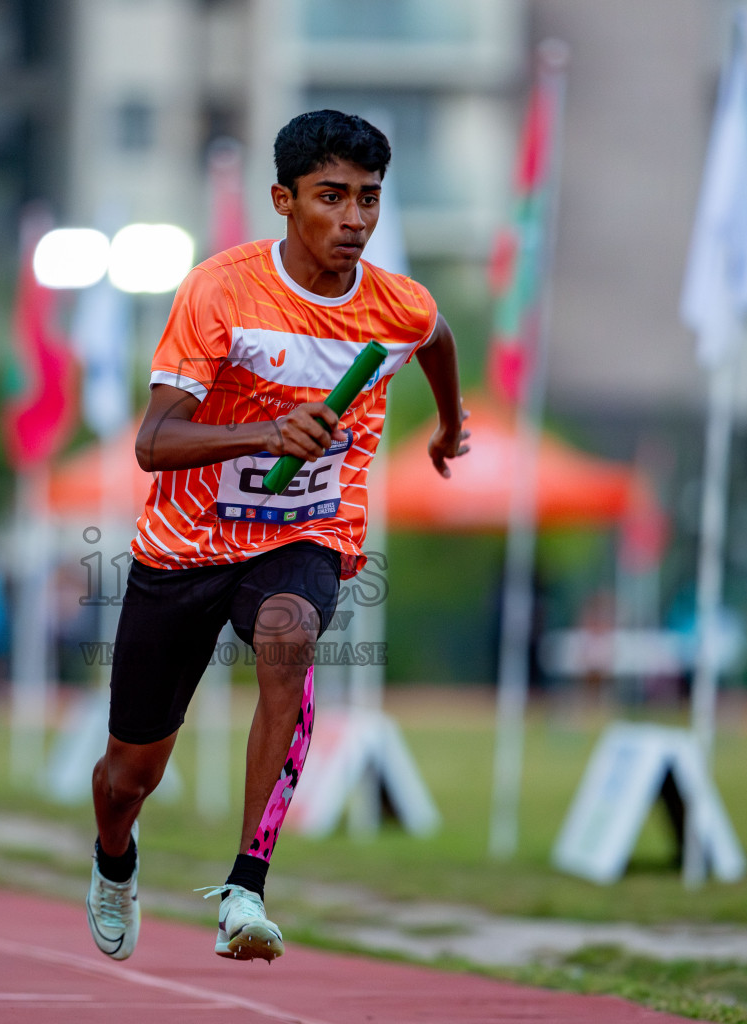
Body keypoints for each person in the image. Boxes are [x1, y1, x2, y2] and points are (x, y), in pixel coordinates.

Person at [86, 110, 468, 963]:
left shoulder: (395, 306)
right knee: (127, 776)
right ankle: (115, 859)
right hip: (184, 548)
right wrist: (265, 434)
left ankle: (246, 889)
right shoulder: (220, 291)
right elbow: (153, 443)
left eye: (369, 199)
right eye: (332, 198)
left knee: (289, 636)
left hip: (306, 532)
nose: (355, 220)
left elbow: (436, 336)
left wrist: (446, 424)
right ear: (283, 200)